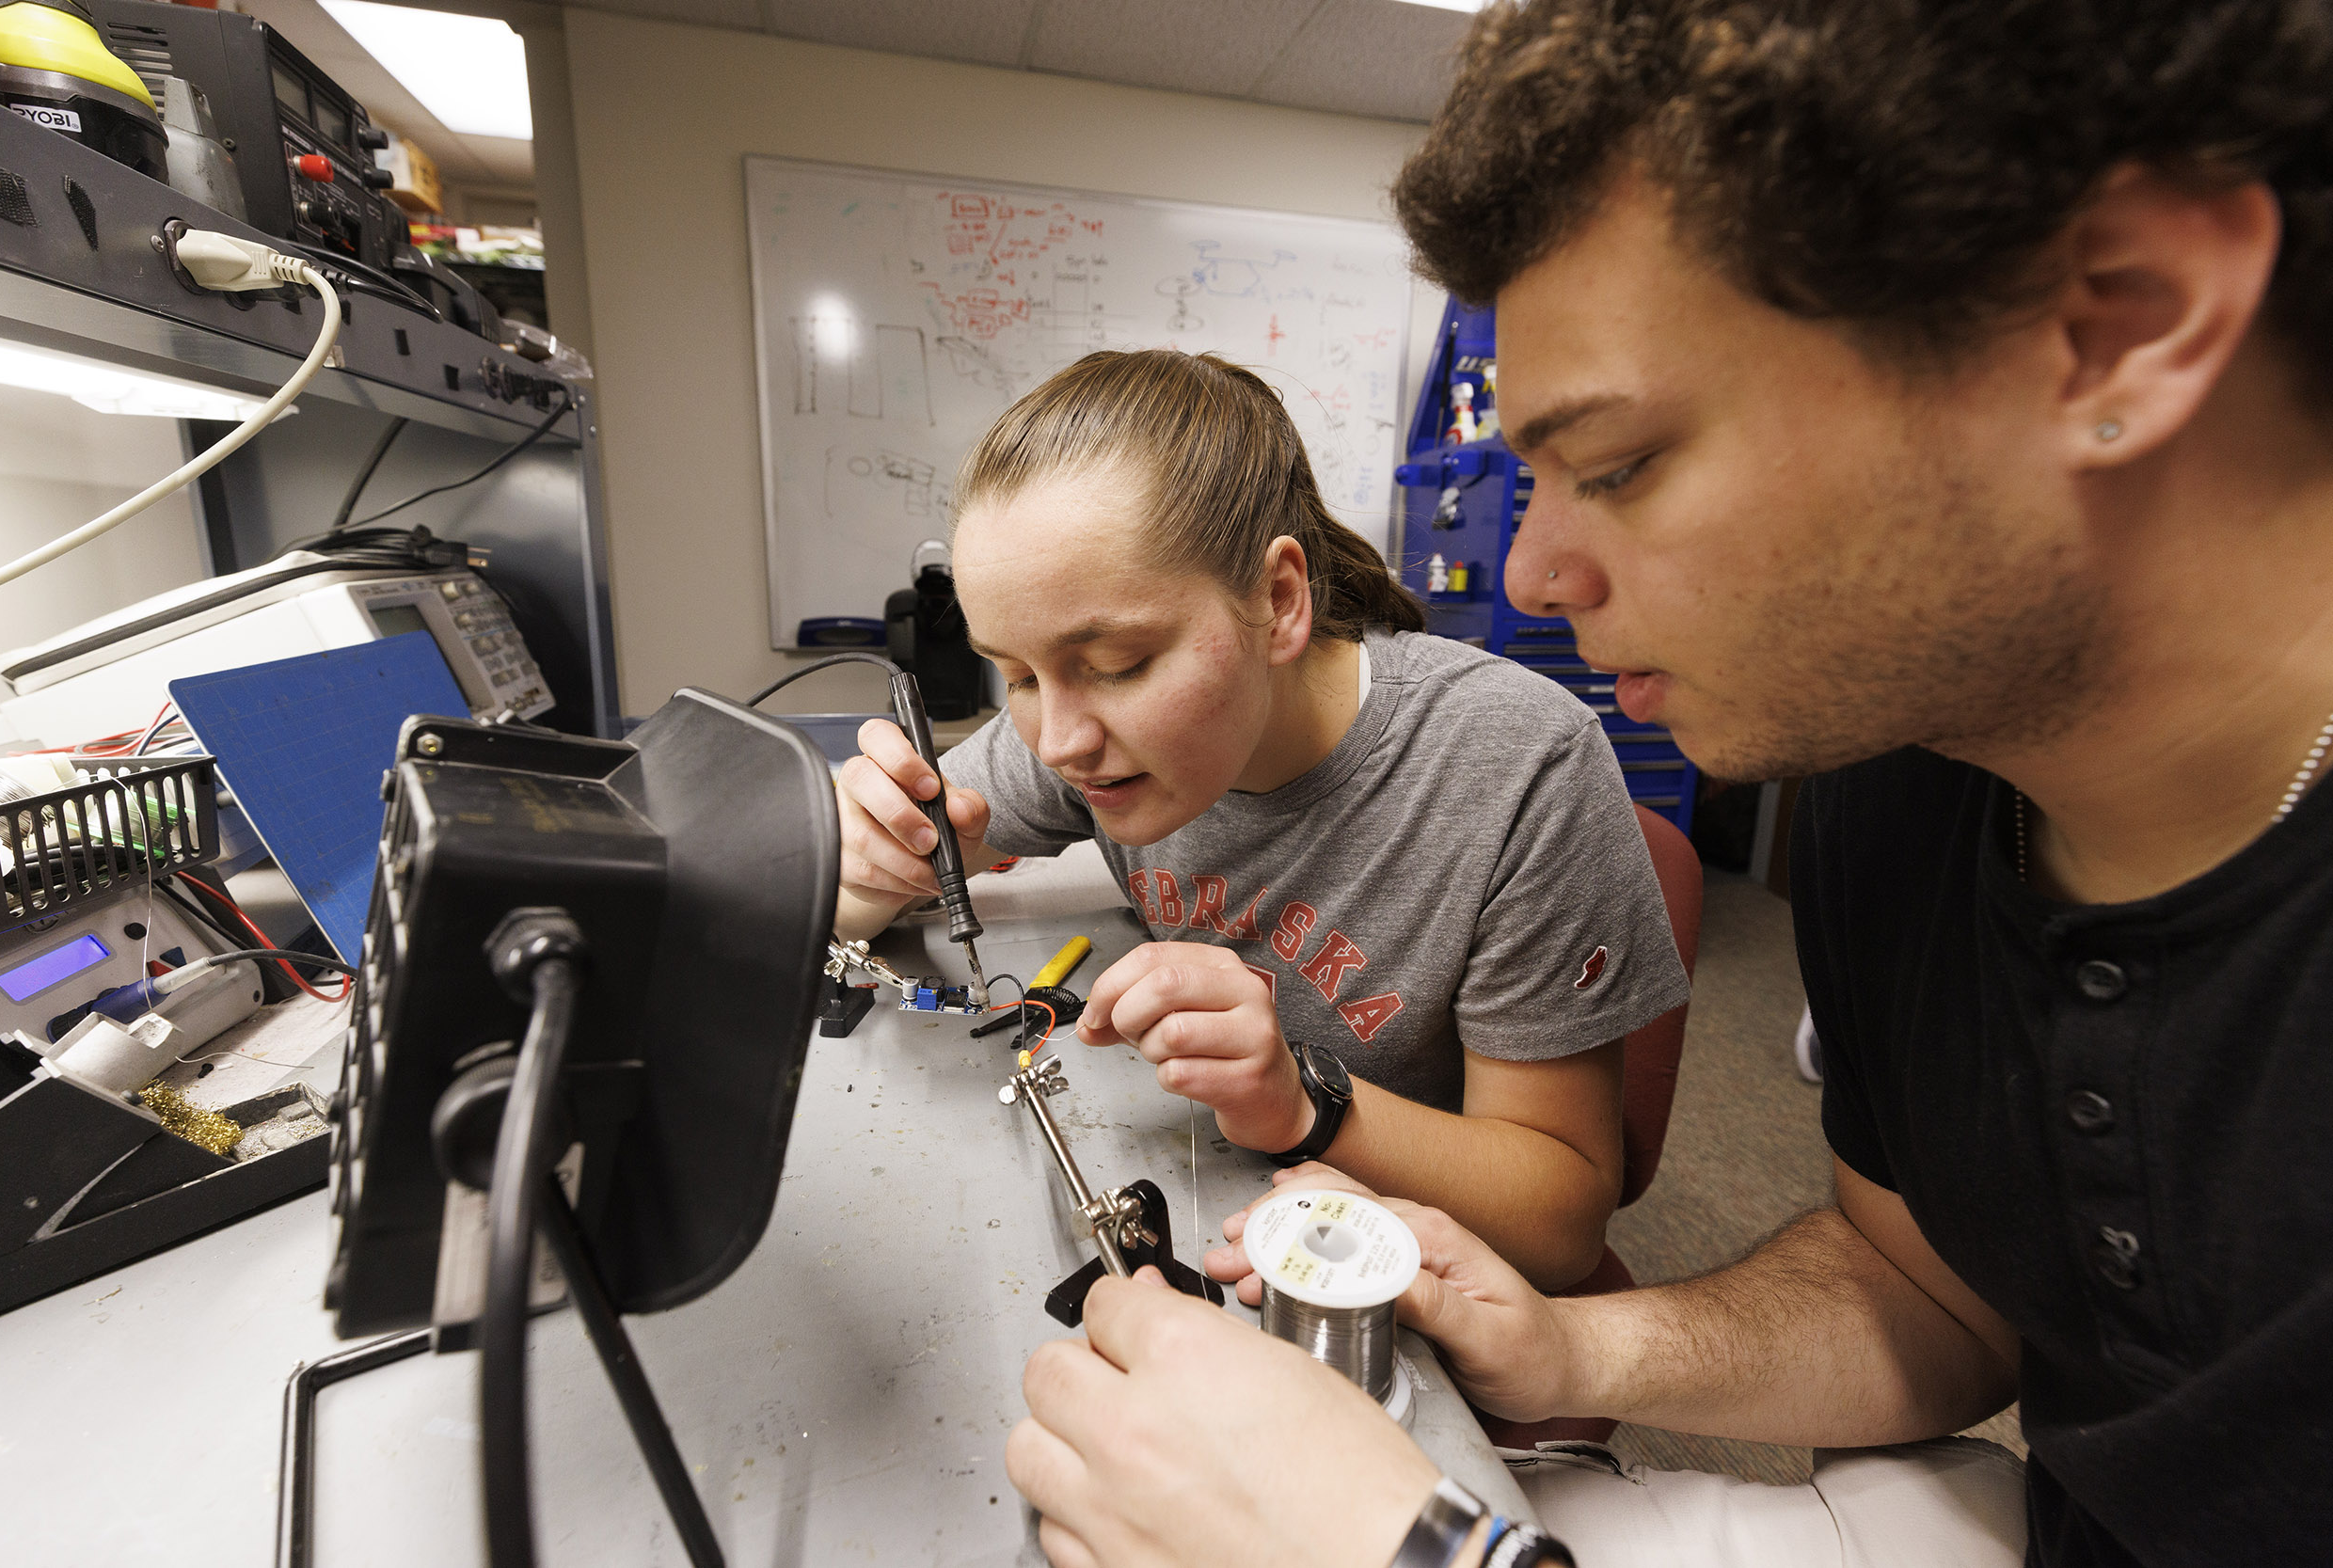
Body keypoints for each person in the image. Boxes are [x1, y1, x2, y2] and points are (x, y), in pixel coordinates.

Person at [1003, 3, 2333, 1566]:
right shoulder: (1898, 775)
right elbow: (1928, 1296)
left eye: (1617, 465)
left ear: (2120, 323)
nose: (1534, 569)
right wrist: (1578, 1351)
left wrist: (1432, 1557)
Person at [833, 348, 1690, 1291]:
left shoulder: (1515, 765)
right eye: (1019, 673)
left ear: (1279, 601)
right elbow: (862, 885)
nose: (1060, 740)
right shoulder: (1085, 734)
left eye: (1116, 661)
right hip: (1217, 1197)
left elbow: (1563, 1223)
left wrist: (1299, 1100)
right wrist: (865, 858)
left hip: (1396, 1263)